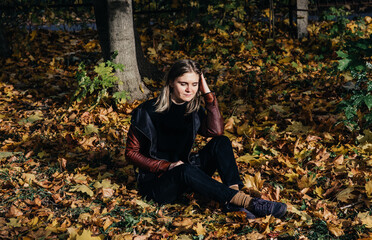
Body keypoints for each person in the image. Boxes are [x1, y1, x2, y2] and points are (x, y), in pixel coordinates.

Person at [125, 59, 287, 219]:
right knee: (184, 169)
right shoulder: (146, 111)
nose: (190, 90)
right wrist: (167, 166)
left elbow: (215, 131)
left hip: (188, 176)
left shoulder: (193, 109)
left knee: (221, 142)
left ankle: (234, 200)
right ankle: (248, 203)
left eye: (194, 84)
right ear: (171, 82)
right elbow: (131, 153)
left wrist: (208, 95)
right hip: (158, 185)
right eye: (184, 84)